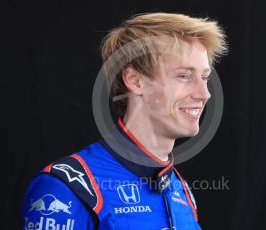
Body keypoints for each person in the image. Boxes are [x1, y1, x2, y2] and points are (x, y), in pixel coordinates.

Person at [21, 12, 227, 230]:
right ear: (135, 80)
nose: (204, 94)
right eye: (185, 76)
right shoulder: (66, 186)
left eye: (204, 77)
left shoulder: (181, 190)